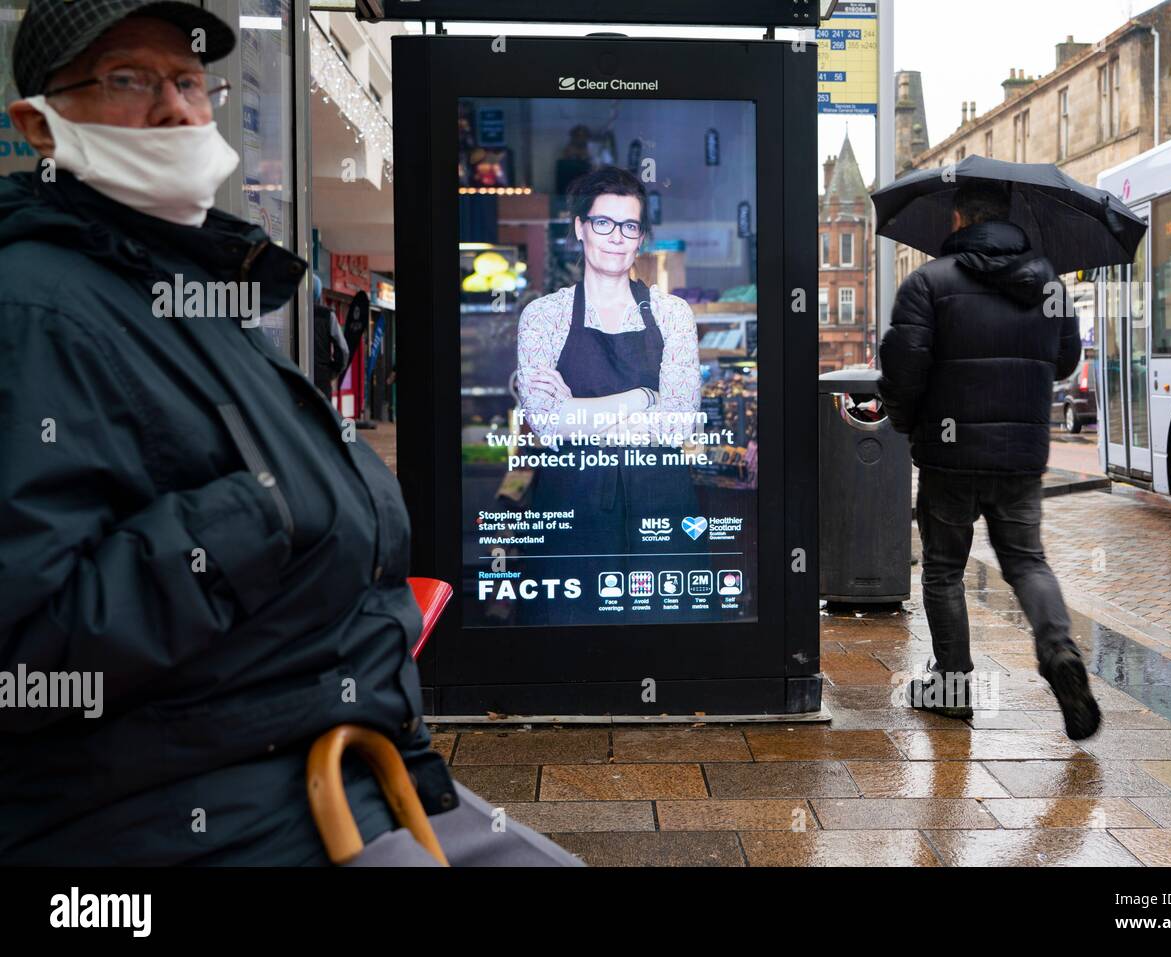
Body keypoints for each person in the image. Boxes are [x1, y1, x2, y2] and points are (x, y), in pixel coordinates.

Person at [0, 0, 579, 866]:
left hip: (346, 772)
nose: (177, 110)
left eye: (192, 81)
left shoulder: (181, 290)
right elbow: (27, 650)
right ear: (38, 128)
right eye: (129, 80)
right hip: (201, 815)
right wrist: (252, 518)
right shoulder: (35, 309)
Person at [878, 181, 1102, 740]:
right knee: (1027, 562)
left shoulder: (928, 282)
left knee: (945, 569)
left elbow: (903, 372)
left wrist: (910, 425)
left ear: (958, 218)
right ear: (1010, 218)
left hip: (948, 456)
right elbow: (1065, 361)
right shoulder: (1047, 282)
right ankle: (1059, 653)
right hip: (1021, 454)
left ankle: (952, 685)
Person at [515, 166, 703, 624]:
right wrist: (644, 396)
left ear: (641, 237)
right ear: (581, 227)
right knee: (569, 643)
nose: (616, 237)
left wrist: (577, 411)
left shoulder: (672, 313)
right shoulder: (544, 316)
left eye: (630, 226)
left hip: (659, 500)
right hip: (571, 501)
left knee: (664, 641)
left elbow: (678, 423)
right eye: (603, 223)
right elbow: (547, 422)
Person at [312, 272, 350, 398]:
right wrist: (332, 371)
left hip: (293, 376)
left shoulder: (289, 313)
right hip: (320, 378)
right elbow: (343, 350)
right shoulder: (327, 315)